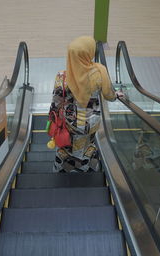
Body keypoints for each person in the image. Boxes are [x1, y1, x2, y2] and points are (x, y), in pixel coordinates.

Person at [48, 36, 123, 172]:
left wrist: (52, 119)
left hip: (70, 122)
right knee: (88, 145)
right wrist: (116, 95)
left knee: (66, 146)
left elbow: (56, 102)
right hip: (91, 122)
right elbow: (109, 95)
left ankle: (61, 168)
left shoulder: (62, 77)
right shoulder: (100, 72)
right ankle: (84, 168)